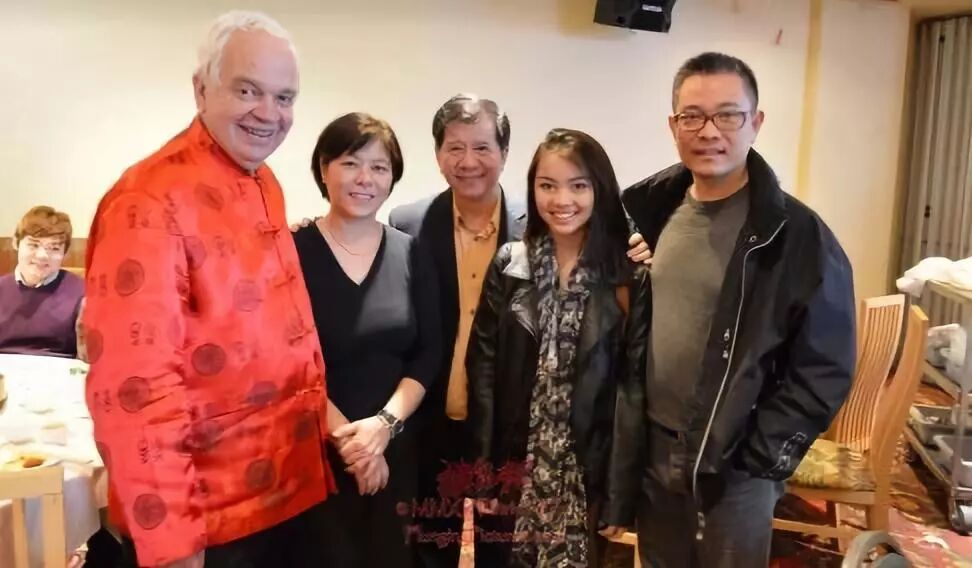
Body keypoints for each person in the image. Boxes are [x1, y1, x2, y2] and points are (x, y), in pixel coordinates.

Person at [82, 11, 333, 567]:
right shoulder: (147, 201)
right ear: (201, 89)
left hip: (286, 493)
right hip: (210, 519)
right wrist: (173, 544)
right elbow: (133, 388)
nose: (268, 113)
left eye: (284, 98)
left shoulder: (263, 180)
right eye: (247, 90)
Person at [606, 52, 856, 567]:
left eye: (727, 115)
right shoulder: (651, 213)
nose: (709, 131)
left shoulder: (796, 235)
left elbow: (825, 366)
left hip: (736, 460)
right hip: (655, 446)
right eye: (692, 116)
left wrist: (761, 456)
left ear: (755, 123)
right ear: (673, 126)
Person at [465, 128, 650, 567]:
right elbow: (484, 372)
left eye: (578, 185)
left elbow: (634, 389)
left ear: (599, 190)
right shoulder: (511, 264)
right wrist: (484, 469)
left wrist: (619, 493)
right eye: (547, 185)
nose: (561, 199)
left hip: (586, 472)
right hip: (515, 466)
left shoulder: (628, 275)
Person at [292, 112, 442, 567]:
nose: (365, 179)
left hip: (395, 451)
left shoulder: (411, 251)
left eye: (379, 167)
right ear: (323, 169)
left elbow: (428, 353)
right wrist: (352, 445)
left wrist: (383, 427)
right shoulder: (289, 251)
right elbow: (284, 358)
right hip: (312, 452)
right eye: (350, 163)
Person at [388, 93, 526, 567]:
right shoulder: (407, 224)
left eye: (482, 147)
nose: (468, 162)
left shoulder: (539, 225)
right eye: (455, 148)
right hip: (432, 420)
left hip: (505, 427)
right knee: (431, 548)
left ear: (504, 153)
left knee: (501, 553)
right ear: (438, 154)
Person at [0, 206, 84, 357]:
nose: (42, 255)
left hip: (59, 368)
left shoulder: (82, 293)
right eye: (33, 245)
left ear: (65, 253)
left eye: (54, 248)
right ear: (16, 243)